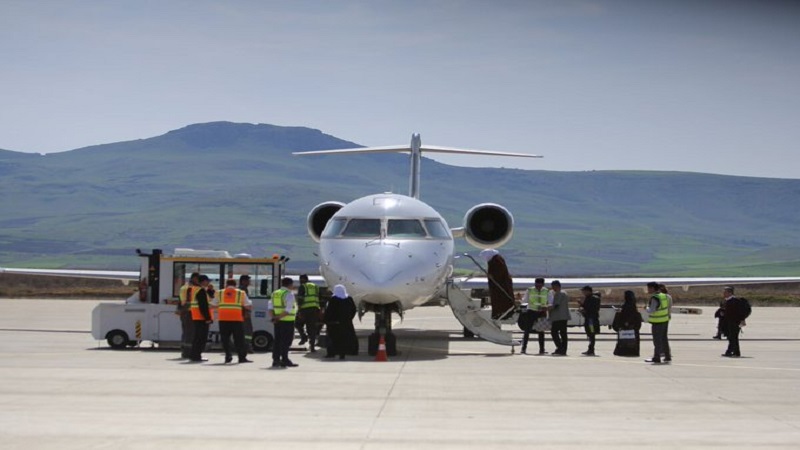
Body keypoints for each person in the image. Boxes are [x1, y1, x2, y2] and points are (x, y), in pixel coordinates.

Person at [215, 279, 252, 364]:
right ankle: (241, 358)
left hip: (223, 319)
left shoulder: (219, 292)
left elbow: (213, 304)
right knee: (239, 339)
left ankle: (228, 356)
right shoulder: (241, 293)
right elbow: (248, 306)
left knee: (225, 339)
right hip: (237, 319)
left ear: (226, 284)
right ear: (235, 285)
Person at [270, 277, 298, 368]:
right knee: (286, 341)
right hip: (287, 321)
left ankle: (276, 360)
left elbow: (270, 308)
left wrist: (274, 318)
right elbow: (288, 310)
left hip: (277, 321)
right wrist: (278, 317)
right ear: (290, 284)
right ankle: (285, 359)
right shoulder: (289, 294)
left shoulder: (275, 293)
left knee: (277, 341)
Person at [324, 284, 358, 359]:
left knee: (332, 339)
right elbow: (354, 310)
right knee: (344, 339)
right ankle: (343, 353)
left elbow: (329, 311)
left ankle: (331, 353)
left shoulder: (334, 299)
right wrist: (349, 318)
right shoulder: (349, 298)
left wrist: (326, 320)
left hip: (334, 324)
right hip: (346, 323)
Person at [480, 249, 515, 320]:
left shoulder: (496, 260)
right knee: (497, 300)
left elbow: (499, 272)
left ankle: (502, 313)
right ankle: (499, 313)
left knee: (501, 299)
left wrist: (492, 276)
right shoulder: (494, 260)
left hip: (501, 285)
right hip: (498, 285)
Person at [521, 277, 550, 355]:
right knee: (527, 330)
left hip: (541, 313)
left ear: (543, 284)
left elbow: (550, 301)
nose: (538, 287)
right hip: (531, 312)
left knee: (541, 331)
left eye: (540, 285)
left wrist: (546, 307)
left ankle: (542, 349)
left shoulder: (546, 291)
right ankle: (523, 348)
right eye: (537, 285)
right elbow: (525, 301)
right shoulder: (530, 290)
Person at [188, 275, 214, 362]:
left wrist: (210, 291)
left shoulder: (195, 289)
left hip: (196, 316)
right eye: (207, 281)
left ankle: (194, 355)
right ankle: (196, 355)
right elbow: (203, 306)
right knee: (201, 338)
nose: (208, 283)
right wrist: (208, 318)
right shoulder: (201, 290)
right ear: (203, 281)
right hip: (201, 317)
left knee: (197, 337)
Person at [645, 281, 671, 364]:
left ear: (652, 288)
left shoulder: (655, 298)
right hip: (665, 320)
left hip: (657, 322)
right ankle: (667, 356)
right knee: (664, 339)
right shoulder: (665, 296)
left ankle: (657, 357)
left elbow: (652, 310)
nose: (647, 290)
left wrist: (646, 308)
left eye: (648, 288)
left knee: (657, 340)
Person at [612, 291, 643, 357]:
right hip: (633, 325)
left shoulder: (627, 305)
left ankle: (624, 351)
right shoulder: (633, 304)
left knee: (625, 339)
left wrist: (625, 322)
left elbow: (627, 314)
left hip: (626, 324)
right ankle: (633, 351)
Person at [295, 274, 321, 352]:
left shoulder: (303, 287)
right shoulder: (315, 286)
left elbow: (300, 299)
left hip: (305, 309)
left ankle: (303, 337)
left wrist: (299, 310)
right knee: (311, 328)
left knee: (297, 323)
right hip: (315, 310)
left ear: (302, 279)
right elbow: (320, 297)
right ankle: (312, 346)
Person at [177, 272, 200, 359]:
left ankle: (184, 350)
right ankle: (187, 352)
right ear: (194, 279)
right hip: (189, 312)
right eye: (199, 279)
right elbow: (186, 302)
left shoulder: (184, 287)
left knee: (186, 332)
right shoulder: (190, 288)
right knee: (190, 333)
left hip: (184, 313)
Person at [548, 280, 571, 356]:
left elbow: (556, 305)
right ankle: (563, 349)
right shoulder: (565, 293)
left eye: (553, 286)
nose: (552, 288)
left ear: (557, 286)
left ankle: (560, 347)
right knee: (563, 333)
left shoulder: (559, 294)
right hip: (564, 316)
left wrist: (546, 308)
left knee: (554, 332)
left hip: (558, 317)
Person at [722, 286, 744, 357]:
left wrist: (742, 320)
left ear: (730, 293)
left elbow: (739, 312)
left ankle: (735, 353)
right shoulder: (727, 301)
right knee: (731, 338)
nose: (723, 293)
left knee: (733, 338)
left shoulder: (735, 301)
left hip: (734, 322)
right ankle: (730, 352)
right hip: (729, 322)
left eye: (725, 292)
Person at [578, 285, 600, 356]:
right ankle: (590, 349)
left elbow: (592, 309)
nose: (583, 293)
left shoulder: (594, 298)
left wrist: (584, 310)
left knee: (591, 334)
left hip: (591, 320)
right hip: (588, 319)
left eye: (584, 291)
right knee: (590, 334)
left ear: (588, 291)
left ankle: (591, 349)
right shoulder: (588, 298)